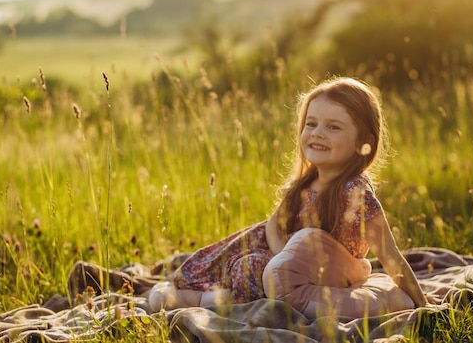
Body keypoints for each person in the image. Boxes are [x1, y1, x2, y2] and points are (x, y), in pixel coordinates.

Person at [148, 76, 428, 316]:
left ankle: (202, 302)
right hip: (284, 265)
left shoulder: (356, 194)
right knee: (243, 265)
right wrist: (280, 256)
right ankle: (195, 295)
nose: (318, 134)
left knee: (255, 272)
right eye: (311, 124)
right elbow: (273, 224)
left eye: (333, 127)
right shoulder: (306, 184)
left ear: (363, 142)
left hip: (327, 274)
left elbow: (391, 256)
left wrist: (423, 304)